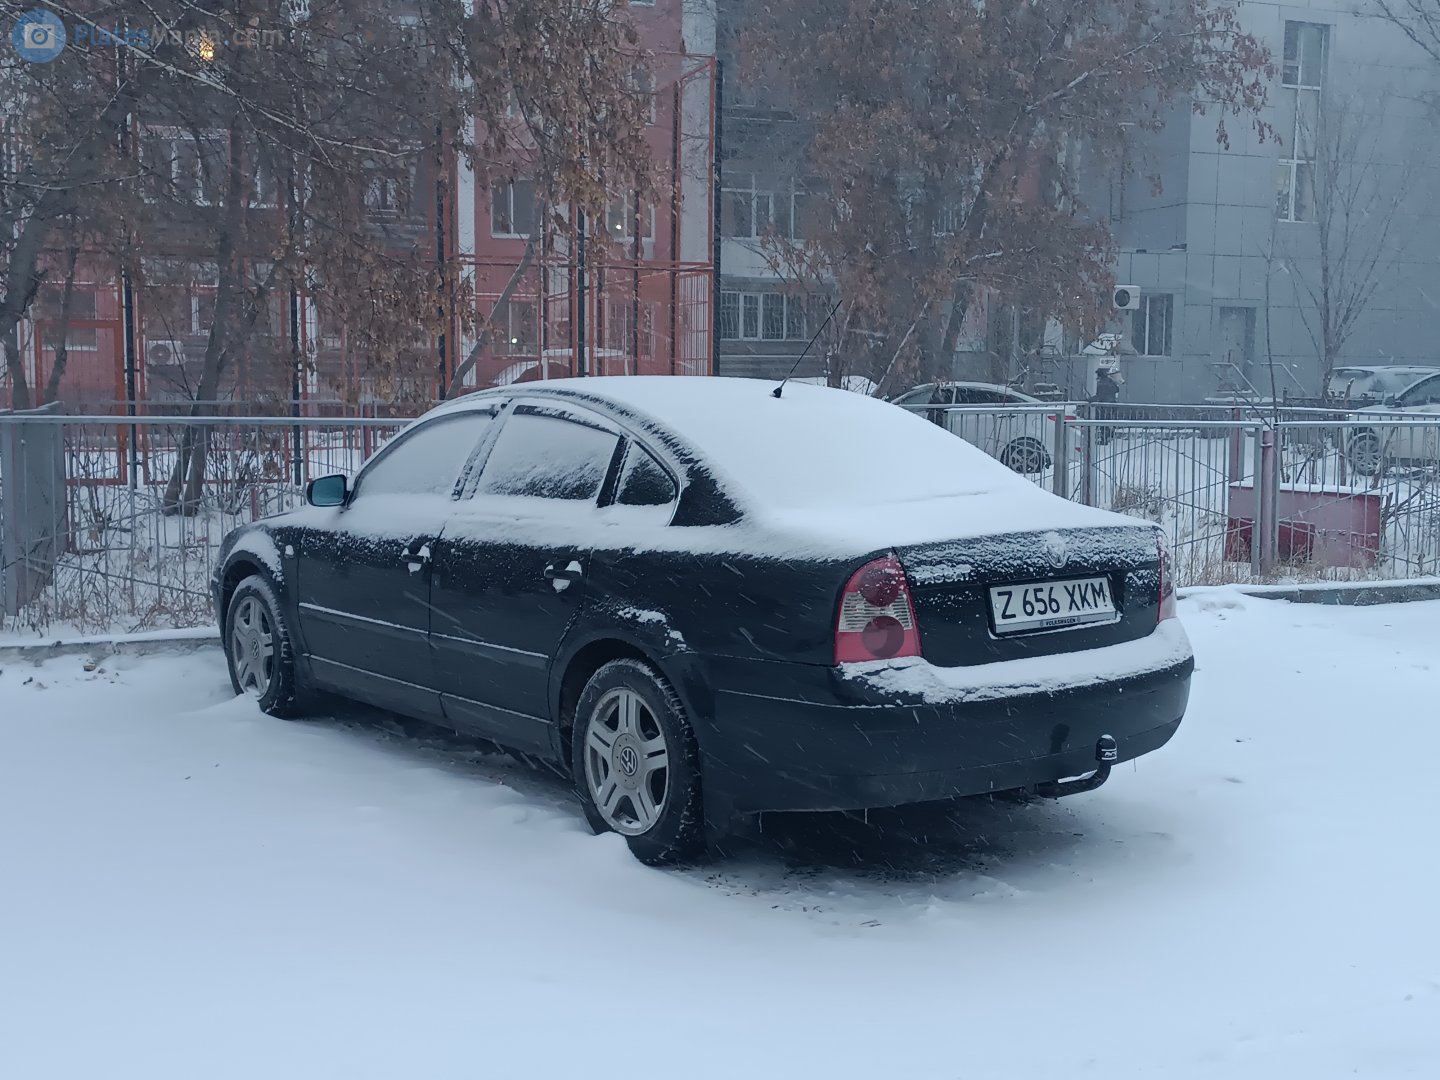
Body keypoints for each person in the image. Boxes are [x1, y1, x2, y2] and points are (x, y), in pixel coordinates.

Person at [1091, 365, 1121, 444]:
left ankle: (1104, 438)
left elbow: (1100, 396)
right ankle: (1107, 436)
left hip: (1104, 407)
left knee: (1103, 423)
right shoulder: (1110, 382)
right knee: (1107, 422)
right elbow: (1115, 390)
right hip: (1111, 405)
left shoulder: (1102, 383)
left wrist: (1090, 400)